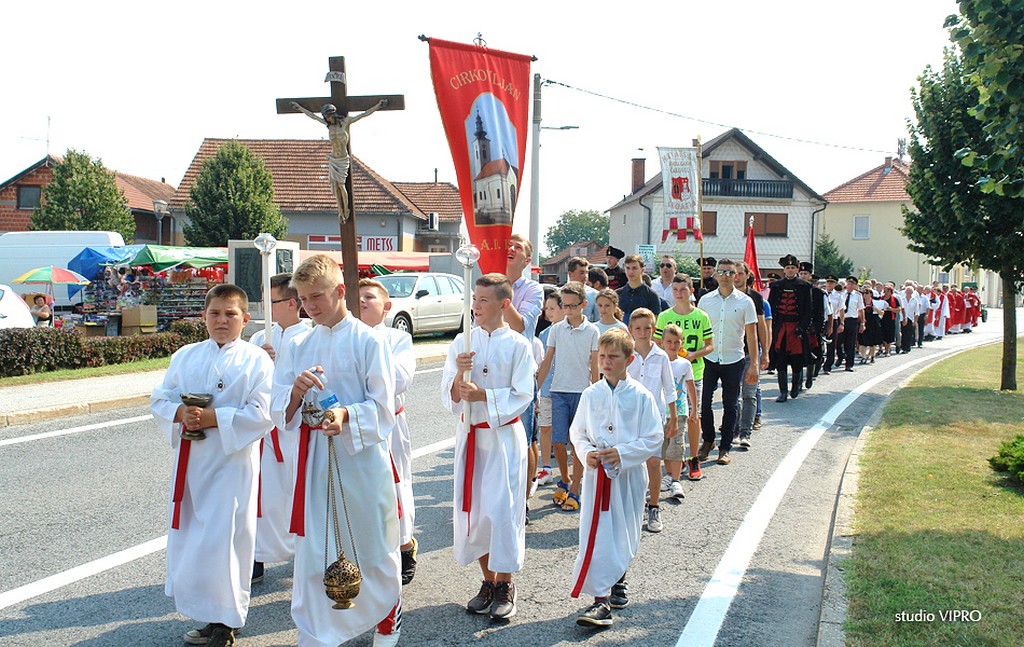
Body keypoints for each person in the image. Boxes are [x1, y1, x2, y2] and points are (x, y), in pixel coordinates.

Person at [271, 254, 402, 647]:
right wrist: (294, 393)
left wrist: (346, 413)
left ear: (341, 291)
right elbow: (279, 404)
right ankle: (317, 626)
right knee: (315, 546)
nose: (309, 306)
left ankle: (387, 615)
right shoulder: (300, 342)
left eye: (317, 297)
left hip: (360, 458)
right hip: (315, 459)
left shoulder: (370, 340)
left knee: (372, 541)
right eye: (304, 299)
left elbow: (383, 406)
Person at [151, 284, 274, 647]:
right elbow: (160, 397)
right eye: (215, 313)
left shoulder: (256, 360)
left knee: (227, 539)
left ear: (245, 319)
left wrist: (211, 418)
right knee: (195, 540)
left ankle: (227, 621)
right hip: (191, 464)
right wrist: (179, 412)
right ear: (204, 316)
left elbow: (261, 413)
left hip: (231, 464)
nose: (222, 320)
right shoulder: (185, 356)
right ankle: (207, 614)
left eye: (231, 314)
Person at [442, 273, 536, 621]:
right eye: (474, 299)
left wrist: (485, 395)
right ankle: (487, 581)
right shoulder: (462, 341)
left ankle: (505, 583)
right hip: (471, 437)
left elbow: (523, 393)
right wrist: (458, 376)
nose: (476, 306)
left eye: (483, 300)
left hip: (502, 439)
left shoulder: (519, 345)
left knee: (501, 510)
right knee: (477, 512)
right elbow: (448, 395)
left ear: (504, 304)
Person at [569, 328, 663, 628]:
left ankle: (618, 577)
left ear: (629, 359)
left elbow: (653, 437)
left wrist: (622, 453)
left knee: (624, 531)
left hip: (628, 478)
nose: (607, 362)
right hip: (597, 478)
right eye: (603, 356)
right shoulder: (590, 394)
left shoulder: (641, 396)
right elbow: (578, 433)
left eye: (614, 357)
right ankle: (600, 601)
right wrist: (587, 454)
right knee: (597, 534)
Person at [247, 273, 311, 587]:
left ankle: (305, 552)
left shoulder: (310, 336)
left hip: (296, 428)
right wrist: (260, 361)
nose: (266, 309)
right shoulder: (260, 338)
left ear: (290, 303)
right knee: (263, 494)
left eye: (271, 302)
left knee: (298, 491)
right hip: (266, 431)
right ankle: (256, 554)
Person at [358, 278, 419, 586]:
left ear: (387, 305)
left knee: (395, 484)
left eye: (370, 296)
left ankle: (405, 544)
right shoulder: (345, 336)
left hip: (389, 424)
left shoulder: (396, 339)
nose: (363, 301)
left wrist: (367, 359)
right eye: (358, 297)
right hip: (353, 423)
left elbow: (400, 378)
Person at [535, 282, 600, 513]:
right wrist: (536, 391)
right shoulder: (556, 329)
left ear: (583, 305)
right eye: (565, 305)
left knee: (577, 442)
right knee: (558, 440)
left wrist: (597, 394)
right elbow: (547, 361)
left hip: (582, 393)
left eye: (573, 306)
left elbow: (595, 364)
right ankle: (564, 478)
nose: (569, 310)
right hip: (559, 391)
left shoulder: (593, 331)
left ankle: (576, 487)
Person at [696, 259, 759, 466]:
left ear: (737, 276)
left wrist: (755, 364)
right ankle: (708, 440)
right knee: (704, 402)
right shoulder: (705, 300)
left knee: (730, 404)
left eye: (730, 273)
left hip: (734, 359)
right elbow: (700, 331)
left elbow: (752, 336)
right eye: (721, 272)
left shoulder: (745, 301)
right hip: (709, 358)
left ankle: (725, 447)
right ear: (715, 275)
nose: (725, 276)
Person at [654, 274, 713, 480]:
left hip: (692, 372)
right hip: (666, 374)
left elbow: (710, 345)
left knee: (692, 415)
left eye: (683, 290)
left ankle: (694, 457)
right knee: (669, 416)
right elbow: (656, 343)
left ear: (691, 291)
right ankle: (669, 458)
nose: (679, 294)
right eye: (675, 290)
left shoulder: (701, 316)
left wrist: (692, 356)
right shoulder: (664, 316)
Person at [292, 99, 388, 221]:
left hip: (342, 159)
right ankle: (340, 210)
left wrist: (378, 105)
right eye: (326, 117)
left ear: (333, 114)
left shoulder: (345, 122)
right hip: (334, 159)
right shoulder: (329, 126)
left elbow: (363, 114)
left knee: (342, 185)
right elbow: (313, 116)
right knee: (335, 186)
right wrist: (299, 108)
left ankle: (346, 210)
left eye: (328, 116)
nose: (327, 119)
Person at [626, 308, 676, 533]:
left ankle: (654, 506)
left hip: (654, 416)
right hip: (629, 417)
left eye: (648, 328)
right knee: (630, 464)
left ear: (654, 329)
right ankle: (630, 507)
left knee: (654, 462)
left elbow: (670, 388)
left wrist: (673, 417)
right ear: (630, 330)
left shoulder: (661, 356)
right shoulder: (626, 355)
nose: (643, 332)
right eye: (638, 328)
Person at [767, 255, 814, 402]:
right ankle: (782, 391)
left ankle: (795, 386)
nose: (790, 270)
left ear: (797, 269)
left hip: (796, 328)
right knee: (780, 359)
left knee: (796, 359)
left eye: (793, 268)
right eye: (787, 268)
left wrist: (802, 328)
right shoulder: (776, 286)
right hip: (781, 328)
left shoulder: (804, 286)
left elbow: (808, 310)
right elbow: (771, 308)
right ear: (784, 270)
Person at [659, 324, 699, 498]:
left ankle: (675, 481)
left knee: (676, 446)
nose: (672, 345)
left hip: (680, 412)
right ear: (662, 342)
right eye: (669, 341)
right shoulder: (658, 361)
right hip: (661, 412)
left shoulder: (684, 364)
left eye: (676, 342)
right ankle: (668, 475)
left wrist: (694, 409)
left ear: (681, 343)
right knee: (665, 447)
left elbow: (691, 387)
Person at [734, 262, 770, 445]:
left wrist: (765, 353)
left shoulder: (755, 298)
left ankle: (745, 432)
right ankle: (734, 427)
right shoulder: (725, 296)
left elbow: (762, 327)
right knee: (733, 395)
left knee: (749, 393)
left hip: (750, 352)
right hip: (731, 353)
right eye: (735, 273)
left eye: (741, 273)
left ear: (747, 275)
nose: (737, 277)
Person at [535, 290, 564, 489]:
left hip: (566, 389)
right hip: (546, 389)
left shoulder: (572, 331)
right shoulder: (544, 334)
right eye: (546, 309)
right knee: (545, 428)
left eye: (552, 308)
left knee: (568, 432)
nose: (548, 312)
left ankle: (568, 472)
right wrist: (536, 391)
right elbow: (540, 365)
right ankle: (546, 467)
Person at [617, 254, 662, 324]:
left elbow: (654, 323)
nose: (631, 272)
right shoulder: (617, 294)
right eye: (628, 268)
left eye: (634, 268)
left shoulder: (651, 295)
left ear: (642, 270)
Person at [835, 277, 866, 372]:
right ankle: (840, 356)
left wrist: (862, 323)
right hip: (841, 319)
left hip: (852, 320)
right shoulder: (840, 294)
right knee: (838, 342)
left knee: (850, 343)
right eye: (848, 284)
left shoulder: (857, 295)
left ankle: (849, 364)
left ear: (855, 285)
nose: (850, 286)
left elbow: (861, 310)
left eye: (852, 284)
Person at [566, 256, 600, 322]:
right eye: (581, 273)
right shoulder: (560, 293)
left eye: (586, 273)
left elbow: (598, 320)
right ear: (570, 274)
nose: (585, 276)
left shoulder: (594, 295)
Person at [859, 286, 884, 364]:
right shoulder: (861, 302)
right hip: (864, 322)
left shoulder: (876, 302)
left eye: (866, 293)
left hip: (873, 323)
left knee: (872, 342)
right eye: (863, 293)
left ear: (871, 294)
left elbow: (882, 313)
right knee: (862, 341)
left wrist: (876, 309)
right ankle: (863, 356)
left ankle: (872, 356)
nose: (865, 295)